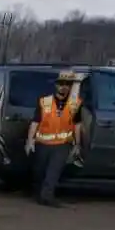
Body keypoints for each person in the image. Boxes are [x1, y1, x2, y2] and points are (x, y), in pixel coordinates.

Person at [24, 71, 84, 207]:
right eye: (61, 84)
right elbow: (35, 122)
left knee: (53, 171)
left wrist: (77, 144)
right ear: (56, 85)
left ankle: (47, 197)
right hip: (43, 143)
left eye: (67, 85)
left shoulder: (75, 104)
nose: (64, 87)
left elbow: (77, 125)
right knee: (40, 171)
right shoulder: (44, 102)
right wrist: (29, 140)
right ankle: (39, 194)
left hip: (62, 144)